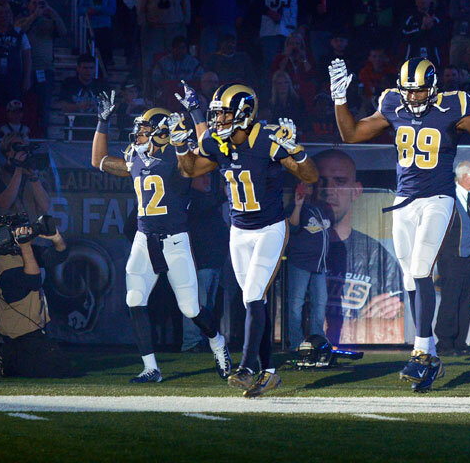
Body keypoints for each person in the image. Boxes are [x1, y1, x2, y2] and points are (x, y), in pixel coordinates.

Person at [328, 56, 470, 392]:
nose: (413, 98)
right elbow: (351, 133)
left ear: (432, 89)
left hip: (437, 199)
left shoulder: (453, 105)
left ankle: (419, 351)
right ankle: (429, 353)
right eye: (408, 92)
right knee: (409, 277)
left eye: (419, 92)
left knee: (420, 270)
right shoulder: (390, 102)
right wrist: (339, 99)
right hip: (404, 201)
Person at [175, 82, 319, 398]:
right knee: (253, 301)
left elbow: (310, 176)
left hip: (269, 228)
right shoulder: (216, 140)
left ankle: (247, 366)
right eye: (216, 115)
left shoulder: (267, 139)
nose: (219, 121)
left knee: (253, 296)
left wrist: (297, 150)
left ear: (243, 113)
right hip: (239, 231)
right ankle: (269, 373)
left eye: (225, 114)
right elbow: (192, 168)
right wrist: (181, 146)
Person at [90, 95, 231, 383]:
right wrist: (102, 122)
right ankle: (151, 368)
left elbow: (210, 155)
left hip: (175, 240)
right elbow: (99, 161)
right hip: (145, 239)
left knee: (190, 307)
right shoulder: (134, 156)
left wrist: (195, 113)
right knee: (134, 299)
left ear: (159, 131)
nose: (138, 134)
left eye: (144, 129)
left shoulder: (177, 157)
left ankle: (218, 342)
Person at [313, 149, 403, 345]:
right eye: (321, 181)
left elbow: (396, 328)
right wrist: (361, 323)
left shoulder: (379, 255)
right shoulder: (295, 250)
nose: (329, 190)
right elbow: (280, 322)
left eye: (339, 181)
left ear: (356, 191)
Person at [0, 225, 71, 377]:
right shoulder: (0, 266)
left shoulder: (16, 253)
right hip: (19, 338)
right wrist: (26, 247)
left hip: (33, 334)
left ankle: (5, 356)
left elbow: (58, 256)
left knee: (60, 366)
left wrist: (57, 239)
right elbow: (33, 281)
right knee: (56, 370)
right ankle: (3, 357)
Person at [434, 161, 470, 356]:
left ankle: (460, 342)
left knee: (466, 301)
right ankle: (445, 343)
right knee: (450, 299)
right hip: (451, 257)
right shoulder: (449, 197)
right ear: (464, 177)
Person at [182, 171, 229, 352]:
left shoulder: (206, 198)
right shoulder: (191, 199)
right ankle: (191, 342)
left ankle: (200, 340)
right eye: (202, 177)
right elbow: (204, 206)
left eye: (208, 176)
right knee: (196, 304)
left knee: (206, 304)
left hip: (213, 261)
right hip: (200, 261)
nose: (206, 180)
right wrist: (223, 194)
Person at [285, 182, 330, 352]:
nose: (308, 190)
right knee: (296, 304)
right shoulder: (294, 208)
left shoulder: (318, 209)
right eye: (304, 187)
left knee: (320, 302)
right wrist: (298, 205)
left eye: (311, 187)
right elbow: (293, 226)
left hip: (319, 265)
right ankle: (296, 343)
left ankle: (317, 340)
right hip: (300, 263)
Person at [16, 0, 65, 132]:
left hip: (45, 69)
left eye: (40, 3)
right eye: (34, 3)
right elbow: (19, 32)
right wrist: (34, 16)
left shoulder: (48, 22)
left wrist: (51, 11)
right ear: (28, 5)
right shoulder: (21, 21)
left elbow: (63, 31)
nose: (37, 6)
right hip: (26, 69)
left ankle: (42, 136)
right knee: (25, 104)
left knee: (43, 105)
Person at [137, 0, 191, 74]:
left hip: (175, 26)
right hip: (153, 27)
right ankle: (151, 85)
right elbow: (141, 3)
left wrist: (186, 20)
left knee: (174, 57)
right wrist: (143, 23)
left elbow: (186, 1)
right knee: (152, 58)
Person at [0, 133, 50, 219]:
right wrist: (18, 168)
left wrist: (34, 178)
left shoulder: (37, 174)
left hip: (32, 229)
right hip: (8, 229)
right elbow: (4, 203)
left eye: (25, 147)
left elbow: (45, 206)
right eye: (18, 147)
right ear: (7, 151)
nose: (23, 150)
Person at [0, 3, 31, 109]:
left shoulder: (19, 33)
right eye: (1, 13)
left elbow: (27, 57)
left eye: (7, 13)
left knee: (14, 110)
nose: (4, 16)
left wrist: (26, 79)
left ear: (11, 15)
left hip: (14, 80)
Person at [77, 0, 117, 68]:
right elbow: (80, 9)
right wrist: (88, 11)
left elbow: (112, 10)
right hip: (91, 27)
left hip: (104, 27)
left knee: (104, 54)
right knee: (91, 53)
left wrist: (99, 10)